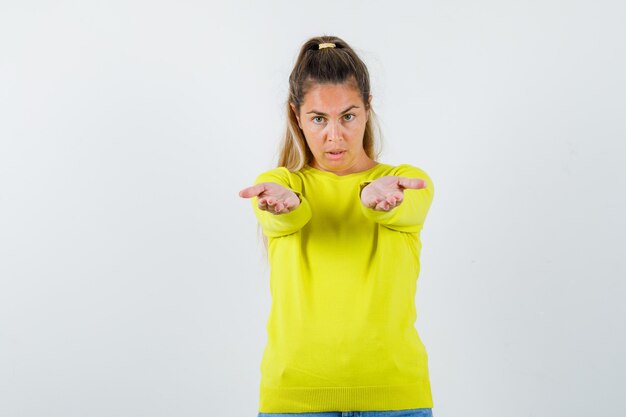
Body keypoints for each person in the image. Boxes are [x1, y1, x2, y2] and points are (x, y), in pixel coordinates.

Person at [239, 35, 436, 417]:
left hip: (396, 399)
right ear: (296, 115)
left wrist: (373, 199)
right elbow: (281, 217)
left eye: (348, 116)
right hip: (295, 401)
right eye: (318, 119)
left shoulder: (405, 181)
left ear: (367, 109)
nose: (335, 136)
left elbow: (400, 209)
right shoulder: (281, 184)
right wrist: (288, 207)